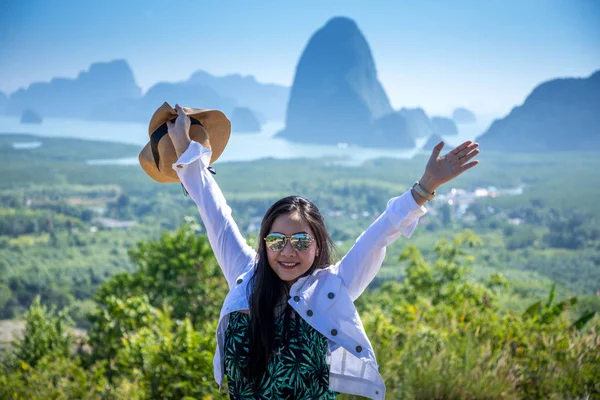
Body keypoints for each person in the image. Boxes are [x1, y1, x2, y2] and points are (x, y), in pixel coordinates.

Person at [166, 104, 480, 399]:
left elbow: (381, 233)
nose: (287, 251)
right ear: (264, 243)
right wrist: (185, 148)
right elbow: (214, 212)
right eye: (277, 241)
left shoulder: (333, 286)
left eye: (301, 241)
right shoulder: (244, 276)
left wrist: (425, 186)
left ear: (317, 247)